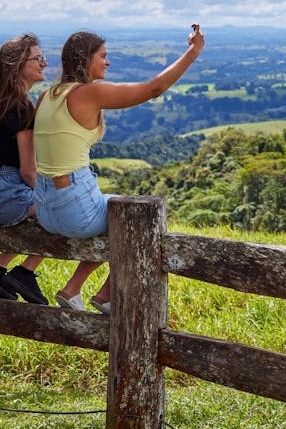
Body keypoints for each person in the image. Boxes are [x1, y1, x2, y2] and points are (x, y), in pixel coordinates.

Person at [32, 24, 205, 314]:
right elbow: (154, 88)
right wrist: (193, 51)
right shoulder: (88, 93)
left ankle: (73, 290)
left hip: (46, 209)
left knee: (117, 205)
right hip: (74, 208)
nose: (107, 61)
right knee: (141, 221)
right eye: (103, 55)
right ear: (86, 59)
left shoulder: (47, 95)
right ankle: (105, 296)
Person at [0, 33, 51, 304]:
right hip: (4, 193)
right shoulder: (21, 108)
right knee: (63, 210)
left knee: (54, 204)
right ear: (18, 65)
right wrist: (52, 196)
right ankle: (25, 273)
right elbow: (28, 172)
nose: (44, 63)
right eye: (38, 58)